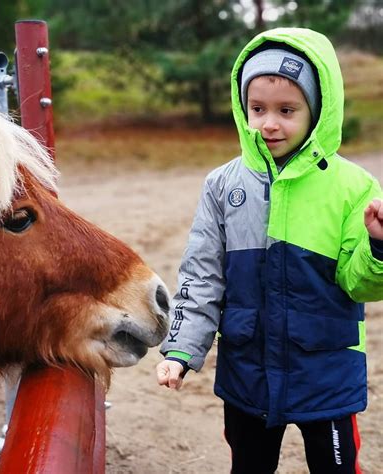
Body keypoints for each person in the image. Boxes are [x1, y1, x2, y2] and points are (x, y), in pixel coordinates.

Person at [156, 27, 383, 474]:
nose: (269, 123)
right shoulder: (223, 185)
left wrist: (379, 245)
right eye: (257, 109)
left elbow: (360, 284)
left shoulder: (353, 187)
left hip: (327, 370)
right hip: (248, 371)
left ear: (316, 111)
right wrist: (180, 350)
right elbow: (202, 275)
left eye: (287, 110)